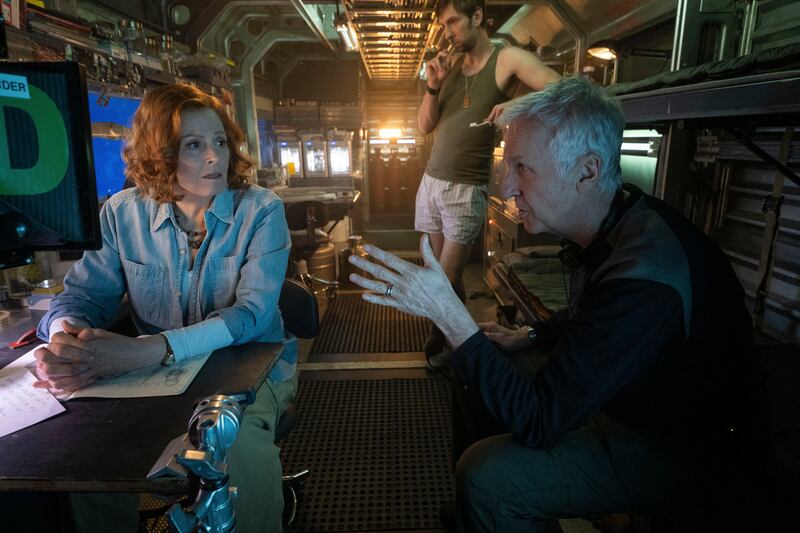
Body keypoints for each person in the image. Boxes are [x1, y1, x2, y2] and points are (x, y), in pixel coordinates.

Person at [349, 76, 769, 531]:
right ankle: (495, 517)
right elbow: (596, 316)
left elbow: (540, 419)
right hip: (640, 400)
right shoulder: (622, 221)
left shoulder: (648, 273)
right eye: (506, 166)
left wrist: (449, 313)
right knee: (475, 365)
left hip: (684, 447)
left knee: (486, 476)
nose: (506, 186)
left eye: (522, 168)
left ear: (586, 171)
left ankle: (496, 503)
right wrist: (530, 333)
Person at [34, 84, 296, 533]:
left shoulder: (261, 211)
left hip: (249, 370)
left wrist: (148, 350)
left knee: (234, 447)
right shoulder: (121, 214)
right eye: (194, 145)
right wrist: (67, 340)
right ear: (160, 154)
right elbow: (81, 298)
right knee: (86, 451)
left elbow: (251, 316)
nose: (215, 157)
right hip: (152, 379)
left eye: (219, 141)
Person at [416, 0, 561, 367]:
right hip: (431, 181)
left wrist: (518, 106)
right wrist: (432, 86)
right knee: (440, 275)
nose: (447, 32)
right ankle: (458, 342)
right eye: (443, 26)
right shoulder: (449, 68)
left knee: (442, 281)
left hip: (465, 188)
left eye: (452, 22)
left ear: (477, 17)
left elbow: (560, 88)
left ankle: (451, 346)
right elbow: (424, 126)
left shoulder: (506, 58)